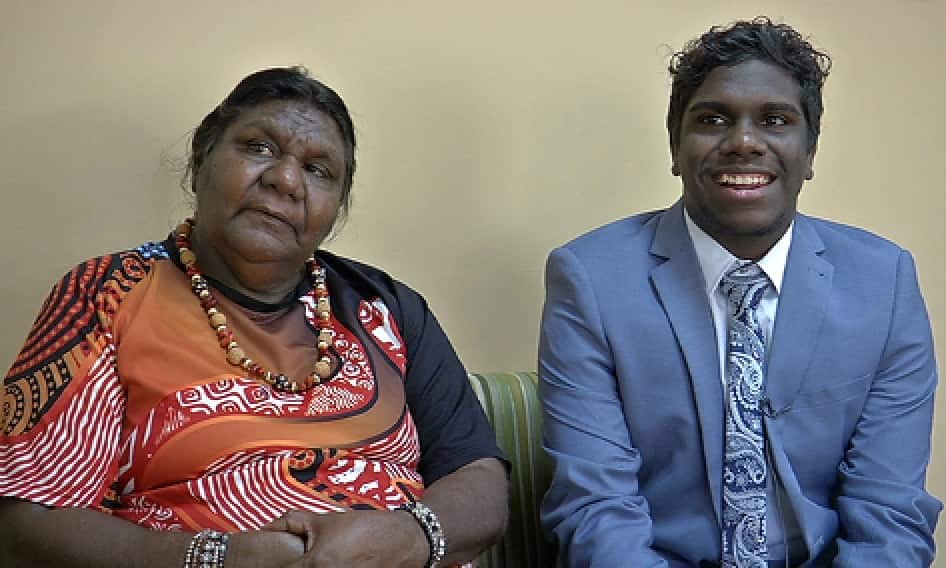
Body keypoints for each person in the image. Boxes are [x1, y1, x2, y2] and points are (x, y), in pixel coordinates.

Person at [0, 66, 508, 567]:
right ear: (202, 158)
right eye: (258, 147)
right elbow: (25, 519)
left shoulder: (387, 307)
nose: (286, 180)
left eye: (318, 170)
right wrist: (213, 557)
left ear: (336, 208)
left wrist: (407, 537)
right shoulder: (108, 294)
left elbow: (481, 482)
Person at [539, 17, 940, 567]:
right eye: (713, 120)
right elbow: (597, 509)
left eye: (775, 120)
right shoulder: (590, 279)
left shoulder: (883, 280)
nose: (744, 142)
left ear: (810, 151)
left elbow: (888, 513)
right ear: (675, 147)